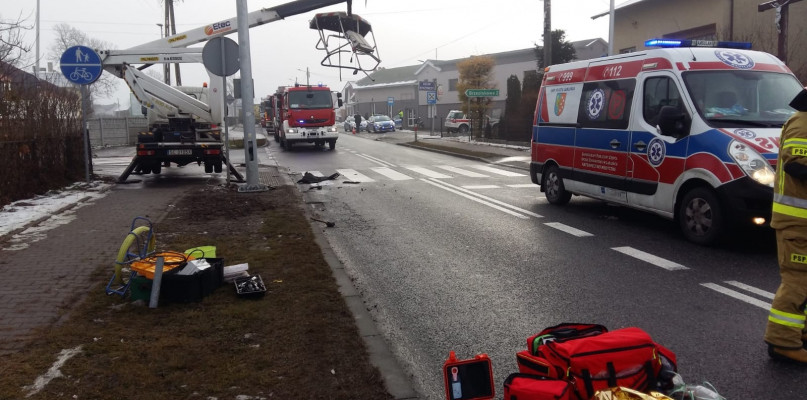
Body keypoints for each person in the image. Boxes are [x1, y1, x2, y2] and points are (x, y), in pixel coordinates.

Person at [765, 87, 807, 364]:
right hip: (798, 222)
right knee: (798, 281)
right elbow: (797, 165)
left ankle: (797, 333)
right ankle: (782, 342)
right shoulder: (803, 123)